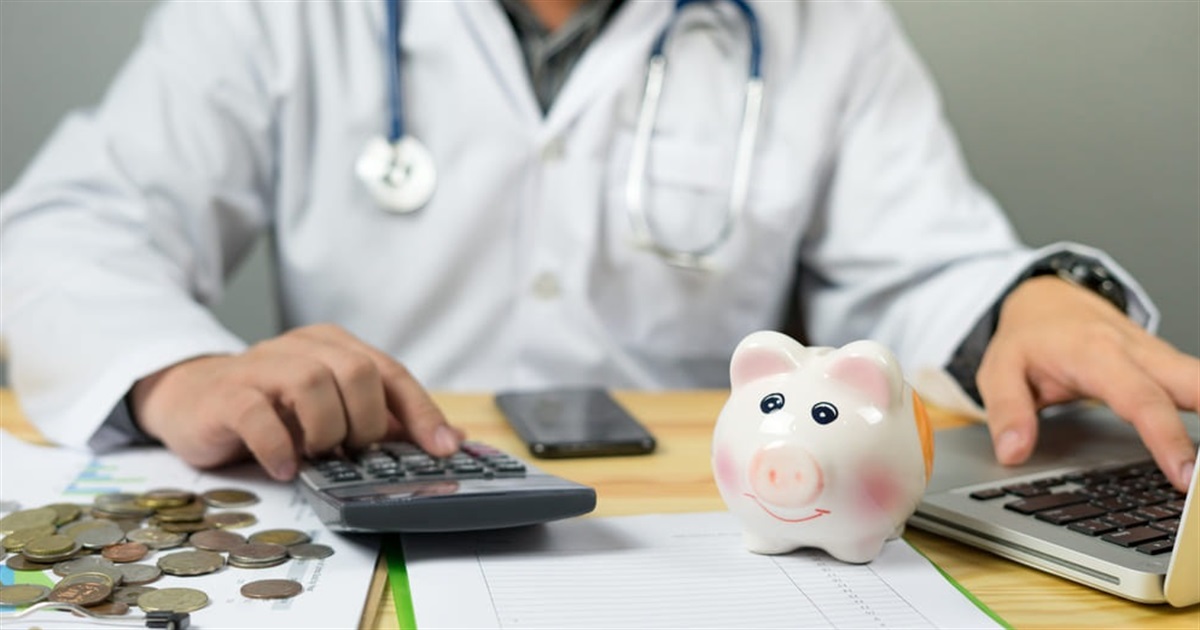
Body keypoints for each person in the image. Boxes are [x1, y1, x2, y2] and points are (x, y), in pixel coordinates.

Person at [2, 0, 1196, 491]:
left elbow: (924, 262)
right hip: (365, 510)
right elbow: (70, 224)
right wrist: (174, 368)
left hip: (702, 522)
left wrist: (1031, 298)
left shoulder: (820, 23)